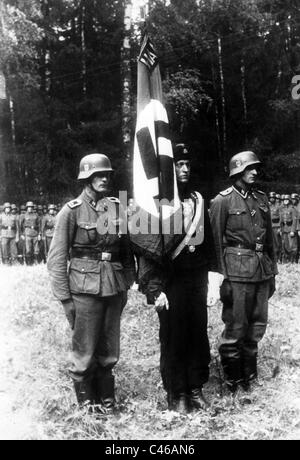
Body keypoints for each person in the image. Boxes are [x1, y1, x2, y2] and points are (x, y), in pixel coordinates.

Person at [47, 153, 136, 413]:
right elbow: (57, 258)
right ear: (86, 177)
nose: (104, 179)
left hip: (114, 286)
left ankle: (107, 402)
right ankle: (87, 406)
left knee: (109, 349)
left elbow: (126, 251)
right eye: (98, 175)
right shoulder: (71, 211)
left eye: (107, 174)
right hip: (84, 290)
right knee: (84, 351)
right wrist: (65, 299)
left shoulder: (116, 208)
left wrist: (127, 282)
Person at [136, 144, 220, 414]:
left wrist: (213, 279)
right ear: (168, 169)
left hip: (197, 279)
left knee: (198, 335)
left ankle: (196, 388)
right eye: (178, 165)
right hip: (170, 281)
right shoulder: (157, 204)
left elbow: (208, 244)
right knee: (174, 336)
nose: (184, 170)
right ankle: (177, 393)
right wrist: (154, 289)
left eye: (187, 165)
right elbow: (148, 251)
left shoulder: (197, 199)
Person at [210, 151, 278, 393]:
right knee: (236, 327)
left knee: (257, 325)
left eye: (256, 168)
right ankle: (234, 382)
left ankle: (249, 378)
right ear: (237, 171)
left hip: (261, 270)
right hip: (236, 272)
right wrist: (221, 278)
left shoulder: (260, 199)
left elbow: (270, 239)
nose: (255, 172)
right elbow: (216, 243)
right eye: (250, 168)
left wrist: (273, 273)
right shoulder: (222, 201)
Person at [280, 194, 297, 263]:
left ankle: (293, 260)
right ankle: (287, 259)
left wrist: (293, 230)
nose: (285, 201)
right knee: (286, 245)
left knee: (292, 245)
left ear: (289, 201)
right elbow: (281, 221)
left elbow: (294, 220)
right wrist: (281, 229)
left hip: (290, 229)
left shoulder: (292, 209)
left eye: (287, 200)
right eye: (284, 200)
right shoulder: (282, 209)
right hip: (285, 229)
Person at [268, 192, 282, 262]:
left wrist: (280, 227)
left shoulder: (278, 206)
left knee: (277, 243)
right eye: (271, 198)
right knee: (271, 243)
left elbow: (281, 217)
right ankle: (274, 258)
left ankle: (279, 258)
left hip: (276, 226)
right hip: (270, 227)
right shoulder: (268, 206)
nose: (272, 199)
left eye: (273, 198)